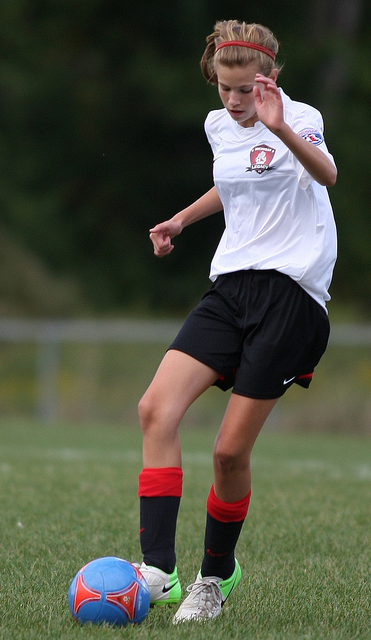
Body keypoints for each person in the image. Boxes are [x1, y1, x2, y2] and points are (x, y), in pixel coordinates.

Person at [133, 19, 337, 624]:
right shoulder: (218, 125)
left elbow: (326, 174)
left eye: (245, 90)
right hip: (231, 289)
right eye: (224, 88)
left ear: (268, 80)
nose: (233, 100)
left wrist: (280, 127)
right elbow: (237, 182)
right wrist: (180, 219)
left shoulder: (299, 117)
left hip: (291, 299)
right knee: (155, 409)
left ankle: (215, 577)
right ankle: (159, 572)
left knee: (227, 453)